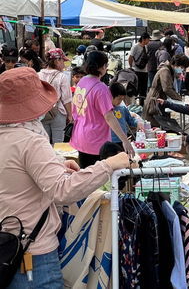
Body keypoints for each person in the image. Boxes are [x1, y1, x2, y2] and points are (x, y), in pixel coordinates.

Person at [0, 67, 130, 289]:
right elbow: (63, 191)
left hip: (6, 247)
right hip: (32, 254)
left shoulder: (10, 137)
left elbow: (13, 173)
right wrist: (108, 165)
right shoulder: (30, 142)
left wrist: (57, 164)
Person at [71, 51, 133, 168]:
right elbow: (109, 117)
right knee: (98, 179)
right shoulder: (101, 88)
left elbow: (74, 109)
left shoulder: (82, 82)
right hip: (95, 140)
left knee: (86, 176)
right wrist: (125, 140)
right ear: (103, 66)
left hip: (80, 136)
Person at [143, 53, 189, 127]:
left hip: (159, 99)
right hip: (155, 100)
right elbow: (167, 89)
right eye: (182, 67)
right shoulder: (165, 71)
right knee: (155, 125)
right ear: (176, 64)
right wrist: (179, 99)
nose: (182, 69)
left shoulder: (169, 70)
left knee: (161, 124)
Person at [38, 49, 73, 143]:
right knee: (58, 143)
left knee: (44, 142)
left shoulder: (38, 75)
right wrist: (70, 115)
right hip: (58, 113)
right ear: (57, 61)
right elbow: (66, 99)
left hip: (42, 113)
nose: (64, 64)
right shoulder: (62, 77)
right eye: (63, 61)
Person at [128, 32, 150, 101]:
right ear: (144, 39)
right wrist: (131, 67)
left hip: (145, 71)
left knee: (143, 90)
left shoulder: (146, 47)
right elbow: (130, 57)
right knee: (136, 89)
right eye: (148, 39)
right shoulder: (135, 47)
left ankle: (142, 105)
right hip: (137, 71)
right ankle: (134, 104)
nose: (149, 41)